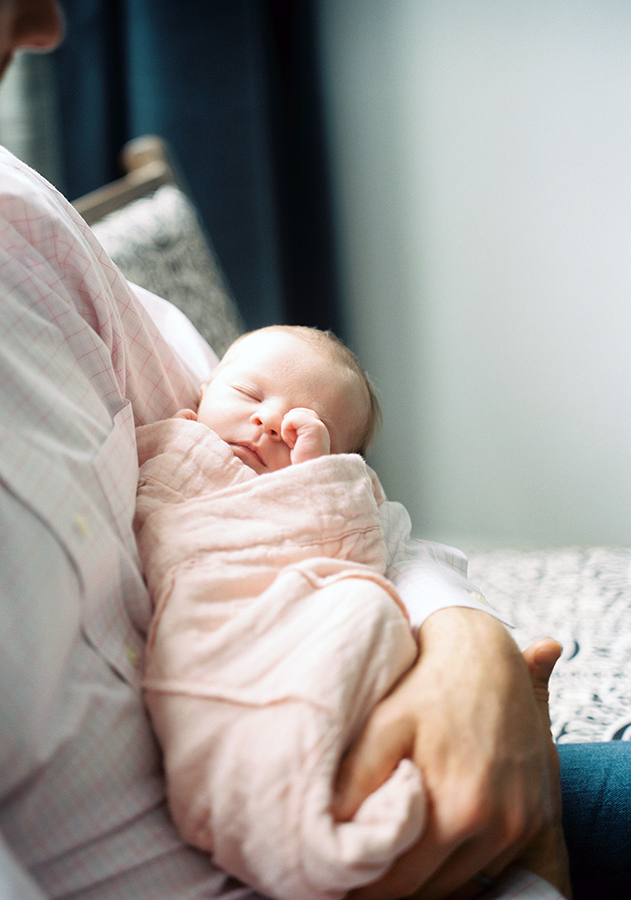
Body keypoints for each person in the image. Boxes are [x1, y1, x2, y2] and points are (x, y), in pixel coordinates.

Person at [0, 1, 617, 898]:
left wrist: (464, 643)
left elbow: (299, 499)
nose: (43, 26)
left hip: (389, 764)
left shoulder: (4, 217)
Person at [135, 325, 567, 899]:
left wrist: (314, 481)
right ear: (206, 386)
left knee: (365, 615)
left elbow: (366, 548)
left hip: (333, 635)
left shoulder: (334, 488)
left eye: (310, 426)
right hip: (234, 642)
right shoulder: (172, 443)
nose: (269, 422)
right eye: (248, 394)